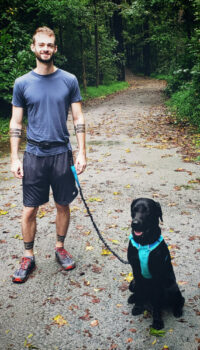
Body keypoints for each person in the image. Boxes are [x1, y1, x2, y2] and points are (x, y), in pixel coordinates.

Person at [10, 26, 86, 283]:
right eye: (40, 44)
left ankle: (60, 248)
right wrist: (14, 158)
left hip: (61, 155)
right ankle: (28, 256)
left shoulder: (69, 80)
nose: (45, 49)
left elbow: (78, 118)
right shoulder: (22, 83)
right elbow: (16, 123)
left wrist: (82, 152)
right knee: (29, 209)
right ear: (33, 47)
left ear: (55, 49)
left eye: (49, 45)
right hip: (33, 155)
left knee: (63, 204)